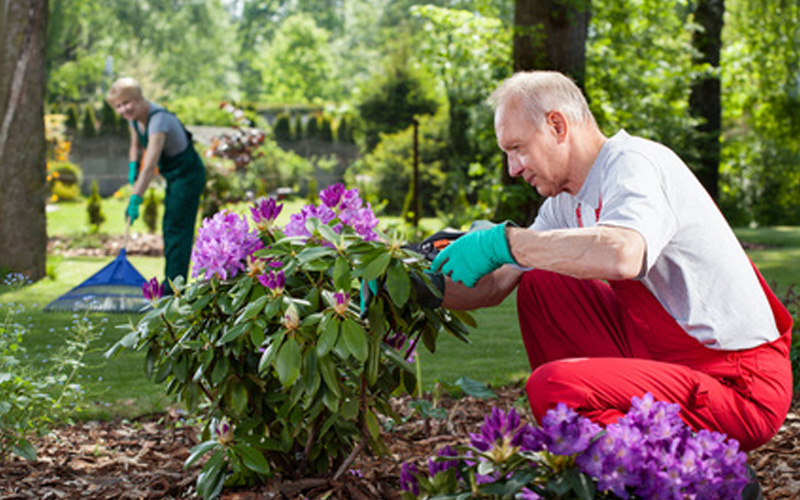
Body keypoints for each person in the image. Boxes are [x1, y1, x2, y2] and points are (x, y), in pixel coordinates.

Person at [431, 71, 792, 461]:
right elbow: (495, 283)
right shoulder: (563, 203)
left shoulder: (634, 164)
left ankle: (698, 479)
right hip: (665, 359)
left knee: (553, 388)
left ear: (557, 125)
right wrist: (413, 280)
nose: (513, 168)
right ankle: (606, 459)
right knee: (542, 281)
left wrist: (506, 242)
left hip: (738, 385)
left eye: (517, 148)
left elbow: (623, 254)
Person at [106, 77, 206, 291]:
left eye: (127, 103)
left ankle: (173, 288)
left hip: (188, 175)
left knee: (177, 228)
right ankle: (172, 282)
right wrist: (133, 165)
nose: (123, 109)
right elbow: (135, 148)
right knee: (169, 226)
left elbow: (150, 166)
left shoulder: (158, 121)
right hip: (174, 176)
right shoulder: (135, 119)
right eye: (118, 106)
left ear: (139, 98)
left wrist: (136, 198)